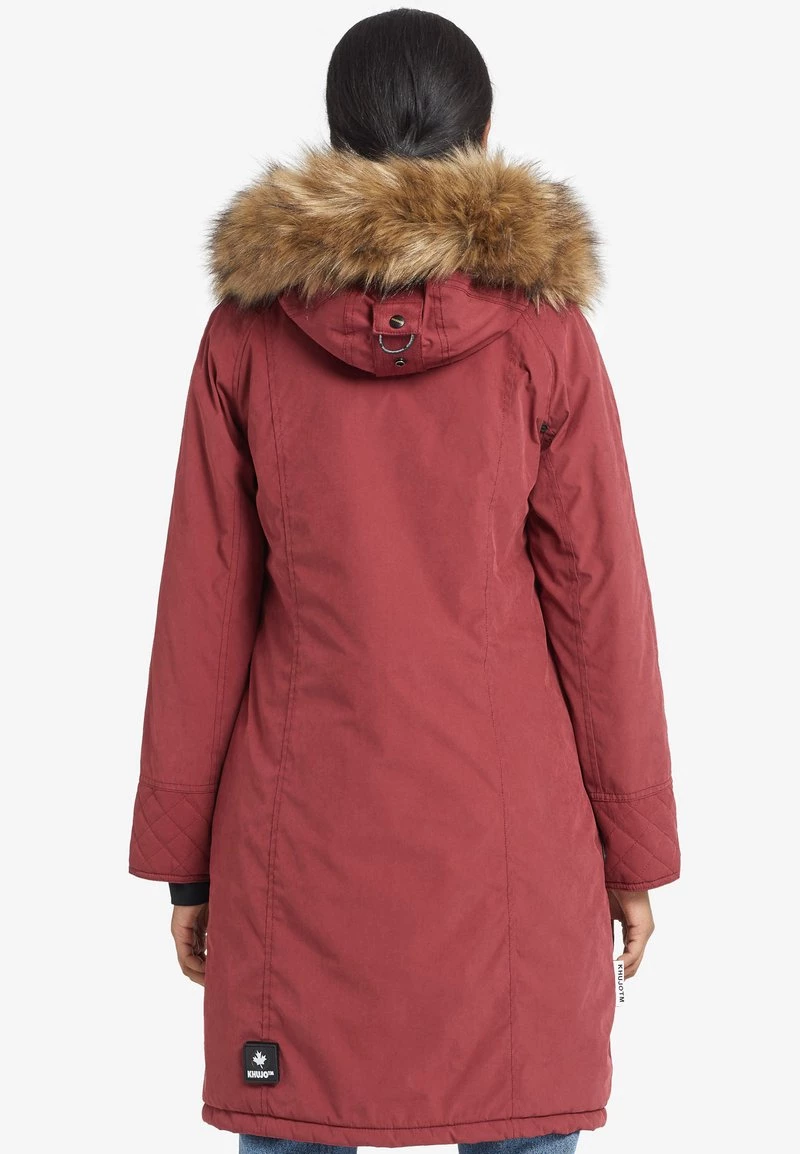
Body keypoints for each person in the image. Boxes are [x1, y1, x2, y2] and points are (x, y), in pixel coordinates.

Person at [128, 9, 680, 1154]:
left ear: (336, 136)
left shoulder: (245, 334)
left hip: (297, 848)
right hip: (508, 854)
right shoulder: (543, 335)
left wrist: (185, 863)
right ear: (481, 132)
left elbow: (202, 608)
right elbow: (600, 609)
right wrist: (632, 851)